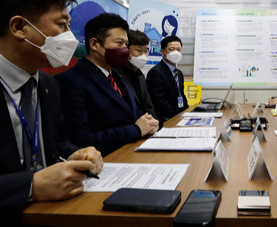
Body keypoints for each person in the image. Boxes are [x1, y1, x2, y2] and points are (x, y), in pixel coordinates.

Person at [0, 0, 103, 227]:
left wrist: (74, 154)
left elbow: (53, 142)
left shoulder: (48, 84)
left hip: (54, 218)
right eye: (62, 25)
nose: (71, 37)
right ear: (20, 27)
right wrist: (29, 187)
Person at [56, 13, 158, 156]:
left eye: (126, 44)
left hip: (130, 155)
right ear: (94, 44)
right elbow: (81, 139)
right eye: (119, 43)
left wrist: (149, 123)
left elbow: (133, 114)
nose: (124, 49)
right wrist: (136, 130)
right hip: (105, 163)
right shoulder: (71, 80)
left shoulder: (117, 76)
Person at [115, 29, 158, 122]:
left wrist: (155, 124)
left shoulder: (140, 75)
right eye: (139, 50)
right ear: (125, 50)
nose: (144, 55)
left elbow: (149, 106)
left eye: (146, 51)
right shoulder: (116, 75)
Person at [146, 35, 189, 121]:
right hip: (165, 120)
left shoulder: (179, 73)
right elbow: (160, 103)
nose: (176, 52)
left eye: (178, 49)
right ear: (162, 52)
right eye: (172, 49)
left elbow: (182, 96)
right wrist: (177, 118)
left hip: (179, 117)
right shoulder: (156, 73)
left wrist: (187, 113)